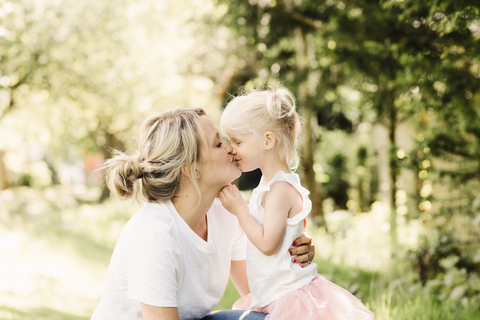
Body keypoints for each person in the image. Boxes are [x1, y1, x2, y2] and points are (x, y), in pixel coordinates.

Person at [91, 107, 315, 320]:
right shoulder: (155, 236)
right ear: (190, 168)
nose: (230, 148)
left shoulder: (226, 213)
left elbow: (259, 291)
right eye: (218, 143)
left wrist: (289, 249)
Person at [218, 86, 375, 320]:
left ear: (267, 140)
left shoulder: (280, 189)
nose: (232, 148)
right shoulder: (269, 182)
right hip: (275, 293)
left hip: (289, 297)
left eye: (238, 141)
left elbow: (268, 244)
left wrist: (240, 209)